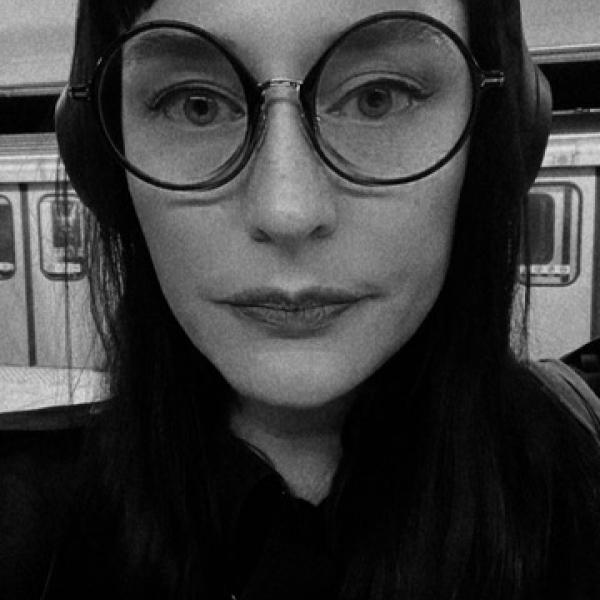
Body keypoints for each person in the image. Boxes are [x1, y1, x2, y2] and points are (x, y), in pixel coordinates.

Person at [2, 0, 600, 598]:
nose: (286, 210)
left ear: (495, 136)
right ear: (104, 161)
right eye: (196, 104)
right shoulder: (26, 526)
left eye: (379, 96)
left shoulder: (583, 480)